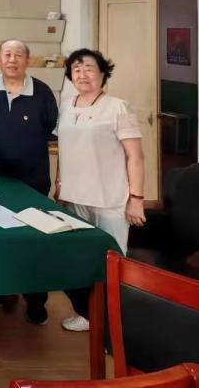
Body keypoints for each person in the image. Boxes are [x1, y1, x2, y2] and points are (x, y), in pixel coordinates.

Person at [56, 48, 145, 333]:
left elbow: (135, 156)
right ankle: (88, 314)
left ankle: (116, 327)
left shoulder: (118, 107)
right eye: (76, 69)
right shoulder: (66, 106)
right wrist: (59, 185)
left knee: (112, 263)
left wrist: (136, 198)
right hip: (74, 198)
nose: (82, 74)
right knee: (80, 262)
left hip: (109, 198)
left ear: (103, 74)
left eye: (89, 68)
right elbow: (64, 150)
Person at [0, 39, 60, 325]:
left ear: (27, 60)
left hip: (32, 179)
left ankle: (35, 300)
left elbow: (49, 127)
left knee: (34, 239)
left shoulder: (42, 92)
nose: (12, 60)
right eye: (7, 54)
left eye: (18, 55)